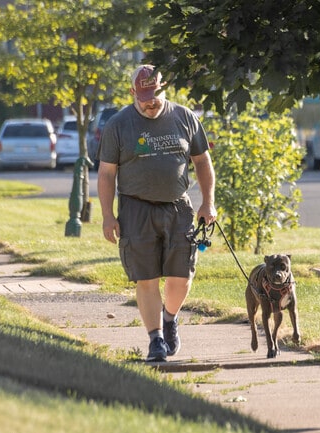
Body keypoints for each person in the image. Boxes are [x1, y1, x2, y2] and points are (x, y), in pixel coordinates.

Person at [97, 64, 216, 362]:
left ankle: (170, 318)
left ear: (164, 89)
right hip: (136, 208)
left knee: (182, 275)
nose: (151, 102)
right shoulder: (118, 125)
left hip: (178, 206)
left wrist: (207, 202)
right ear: (132, 93)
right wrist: (107, 215)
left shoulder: (184, 117)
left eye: (156, 95)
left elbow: (202, 161)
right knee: (146, 278)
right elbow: (106, 174)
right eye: (144, 97)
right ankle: (155, 340)